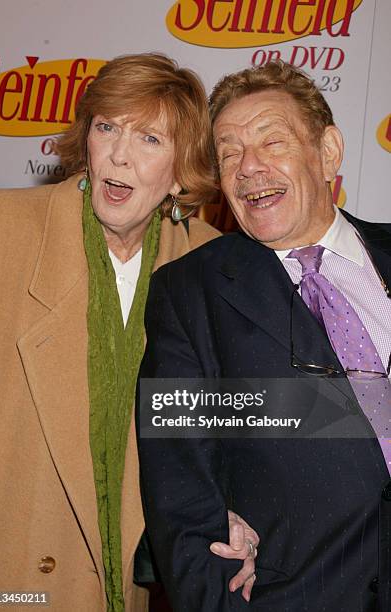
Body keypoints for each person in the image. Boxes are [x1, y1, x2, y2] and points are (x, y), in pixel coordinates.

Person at [0, 53, 259, 612]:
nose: (119, 155)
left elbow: (235, 416)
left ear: (183, 170)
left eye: (150, 140)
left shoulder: (211, 264)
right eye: (107, 127)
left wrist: (229, 503)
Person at [137, 60, 391, 610]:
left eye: (271, 142)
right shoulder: (186, 294)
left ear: (328, 153)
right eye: (229, 153)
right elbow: (178, 493)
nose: (248, 167)